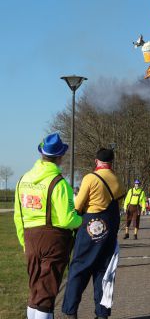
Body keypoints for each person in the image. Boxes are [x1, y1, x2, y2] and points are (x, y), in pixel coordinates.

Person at [14, 133, 82, 319]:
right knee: (47, 294)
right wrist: (81, 221)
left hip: (30, 238)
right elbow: (67, 219)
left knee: (35, 289)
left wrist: (24, 242)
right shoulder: (59, 183)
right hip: (54, 241)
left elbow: (18, 216)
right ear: (60, 157)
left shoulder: (23, 180)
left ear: (42, 154)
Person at [62, 148, 125, 319]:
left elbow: (78, 205)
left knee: (79, 269)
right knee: (104, 272)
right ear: (111, 162)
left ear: (96, 161)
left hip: (90, 228)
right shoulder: (117, 179)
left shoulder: (90, 178)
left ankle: (71, 311)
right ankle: (102, 313)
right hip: (109, 230)